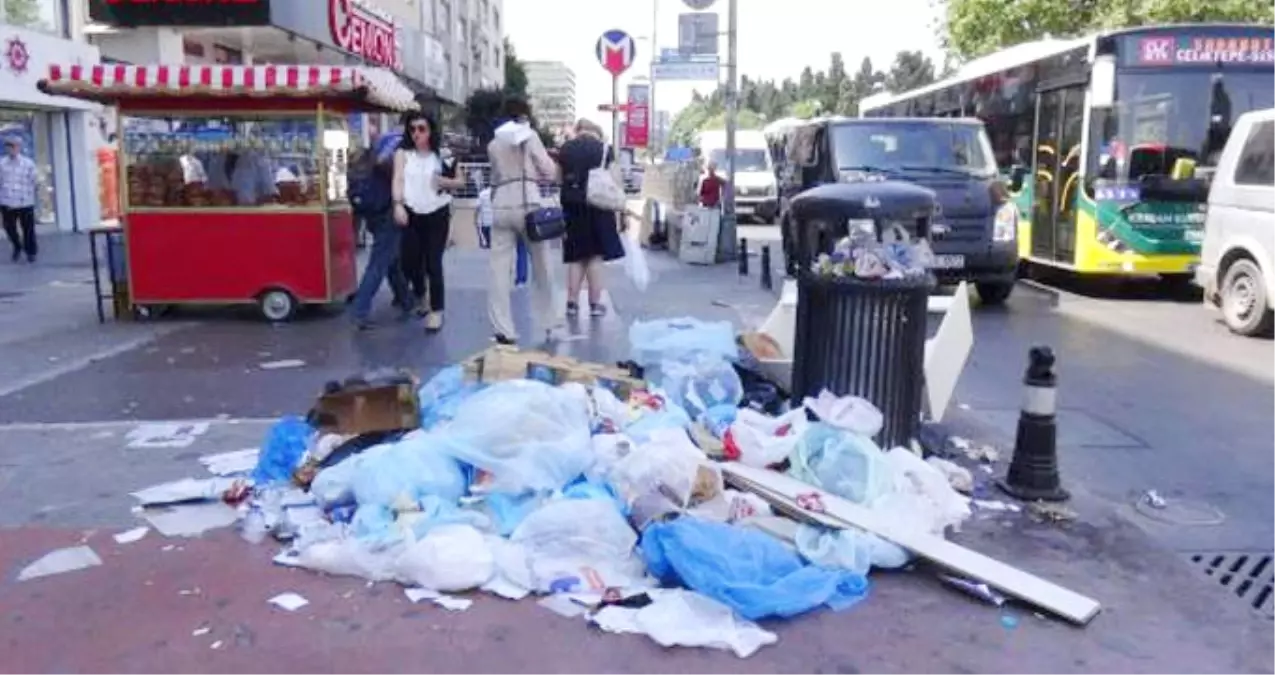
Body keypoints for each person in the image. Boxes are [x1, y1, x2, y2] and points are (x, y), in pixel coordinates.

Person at [487, 96, 561, 345]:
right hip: (529, 204)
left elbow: (495, 177)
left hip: (501, 206)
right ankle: (549, 320)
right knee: (542, 266)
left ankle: (503, 328)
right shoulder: (530, 137)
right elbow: (549, 171)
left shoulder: (494, 143)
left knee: (499, 270)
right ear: (524, 116)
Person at [392, 111, 463, 333]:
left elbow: (460, 182)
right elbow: (398, 179)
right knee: (409, 261)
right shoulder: (403, 153)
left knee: (433, 263)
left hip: (437, 212)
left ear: (431, 130)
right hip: (411, 212)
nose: (416, 133)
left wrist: (444, 181)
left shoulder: (443, 154)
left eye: (421, 128)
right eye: (412, 129)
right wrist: (397, 204)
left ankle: (436, 311)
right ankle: (421, 294)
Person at [556, 118, 624, 318]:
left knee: (576, 256)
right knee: (595, 256)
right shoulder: (604, 149)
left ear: (578, 130)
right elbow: (615, 180)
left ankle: (571, 303)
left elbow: (557, 178)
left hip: (572, 206)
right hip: (598, 206)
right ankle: (594, 304)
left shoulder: (566, 149)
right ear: (596, 131)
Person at [348, 140, 412, 330]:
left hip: (372, 219)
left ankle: (406, 300)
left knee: (390, 261)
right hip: (388, 217)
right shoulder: (381, 167)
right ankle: (360, 311)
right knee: (378, 265)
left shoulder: (355, 171)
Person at [0, 136, 38, 263]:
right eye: (9, 147)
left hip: (25, 201)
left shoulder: (28, 164)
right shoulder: (2, 164)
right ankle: (17, 245)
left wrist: (32, 193)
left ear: (19, 147)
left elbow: (35, 180)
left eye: (14, 146)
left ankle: (31, 252)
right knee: (9, 227)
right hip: (7, 201)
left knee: (28, 228)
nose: (11, 149)